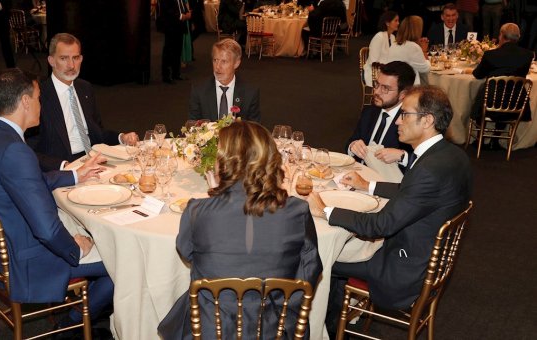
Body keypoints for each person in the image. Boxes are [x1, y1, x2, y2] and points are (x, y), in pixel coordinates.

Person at [313, 85, 472, 338]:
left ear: (427, 120)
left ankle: (324, 330)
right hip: (424, 252)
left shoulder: (429, 170)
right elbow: (412, 191)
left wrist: (325, 210)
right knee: (344, 246)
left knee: (321, 259)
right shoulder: (450, 155)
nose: (397, 120)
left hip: (403, 267)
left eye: (404, 114)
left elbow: (381, 225)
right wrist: (368, 185)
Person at [0, 68, 114, 332]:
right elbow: (46, 230)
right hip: (24, 262)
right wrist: (75, 248)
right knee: (124, 259)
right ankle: (76, 322)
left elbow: (27, 183)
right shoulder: (15, 151)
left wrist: (75, 175)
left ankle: (79, 313)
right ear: (25, 101)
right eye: (39, 98)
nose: (41, 104)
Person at [158, 120, 322, 339]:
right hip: (273, 328)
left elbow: (186, 251)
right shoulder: (297, 211)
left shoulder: (198, 211)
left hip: (211, 328)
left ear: (224, 162)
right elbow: (310, 270)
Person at [26, 33, 138, 172]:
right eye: (63, 58)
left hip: (93, 159)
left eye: (76, 58)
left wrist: (121, 137)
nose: (71, 65)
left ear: (81, 59)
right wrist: (63, 166)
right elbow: (27, 149)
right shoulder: (38, 95)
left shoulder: (84, 88)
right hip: (63, 166)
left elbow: (96, 131)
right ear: (51, 61)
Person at [465, 23, 534, 146]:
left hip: (491, 102)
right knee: (504, 93)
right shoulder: (528, 55)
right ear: (518, 37)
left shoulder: (491, 55)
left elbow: (478, 75)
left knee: (483, 92)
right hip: (515, 103)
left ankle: (481, 140)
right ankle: (497, 140)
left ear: (501, 36)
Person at [347, 61, 415, 169]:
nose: (376, 91)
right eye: (376, 84)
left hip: (389, 183)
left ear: (403, 94)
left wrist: (402, 156)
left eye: (385, 88)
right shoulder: (369, 111)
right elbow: (351, 142)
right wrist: (352, 146)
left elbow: (425, 162)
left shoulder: (411, 121)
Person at [188, 38, 261, 122]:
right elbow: (193, 127)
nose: (217, 67)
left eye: (224, 61)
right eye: (215, 60)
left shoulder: (250, 92)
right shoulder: (199, 90)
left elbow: (254, 130)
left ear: (236, 63)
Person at [381, 16, 430, 84]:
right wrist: (424, 50)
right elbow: (425, 69)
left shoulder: (395, 44)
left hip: (394, 82)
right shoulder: (413, 47)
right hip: (408, 87)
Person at [157, 0, 191, 84]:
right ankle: (166, 75)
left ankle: (176, 73)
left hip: (179, 26)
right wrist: (180, 16)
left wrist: (187, 13)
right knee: (169, 50)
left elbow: (181, 5)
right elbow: (167, 10)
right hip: (170, 25)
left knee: (177, 50)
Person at [363, 10, 400, 86]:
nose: (398, 23)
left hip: (385, 71)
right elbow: (373, 62)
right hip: (374, 72)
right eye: (396, 21)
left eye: (398, 21)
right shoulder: (379, 37)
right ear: (387, 23)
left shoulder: (392, 37)